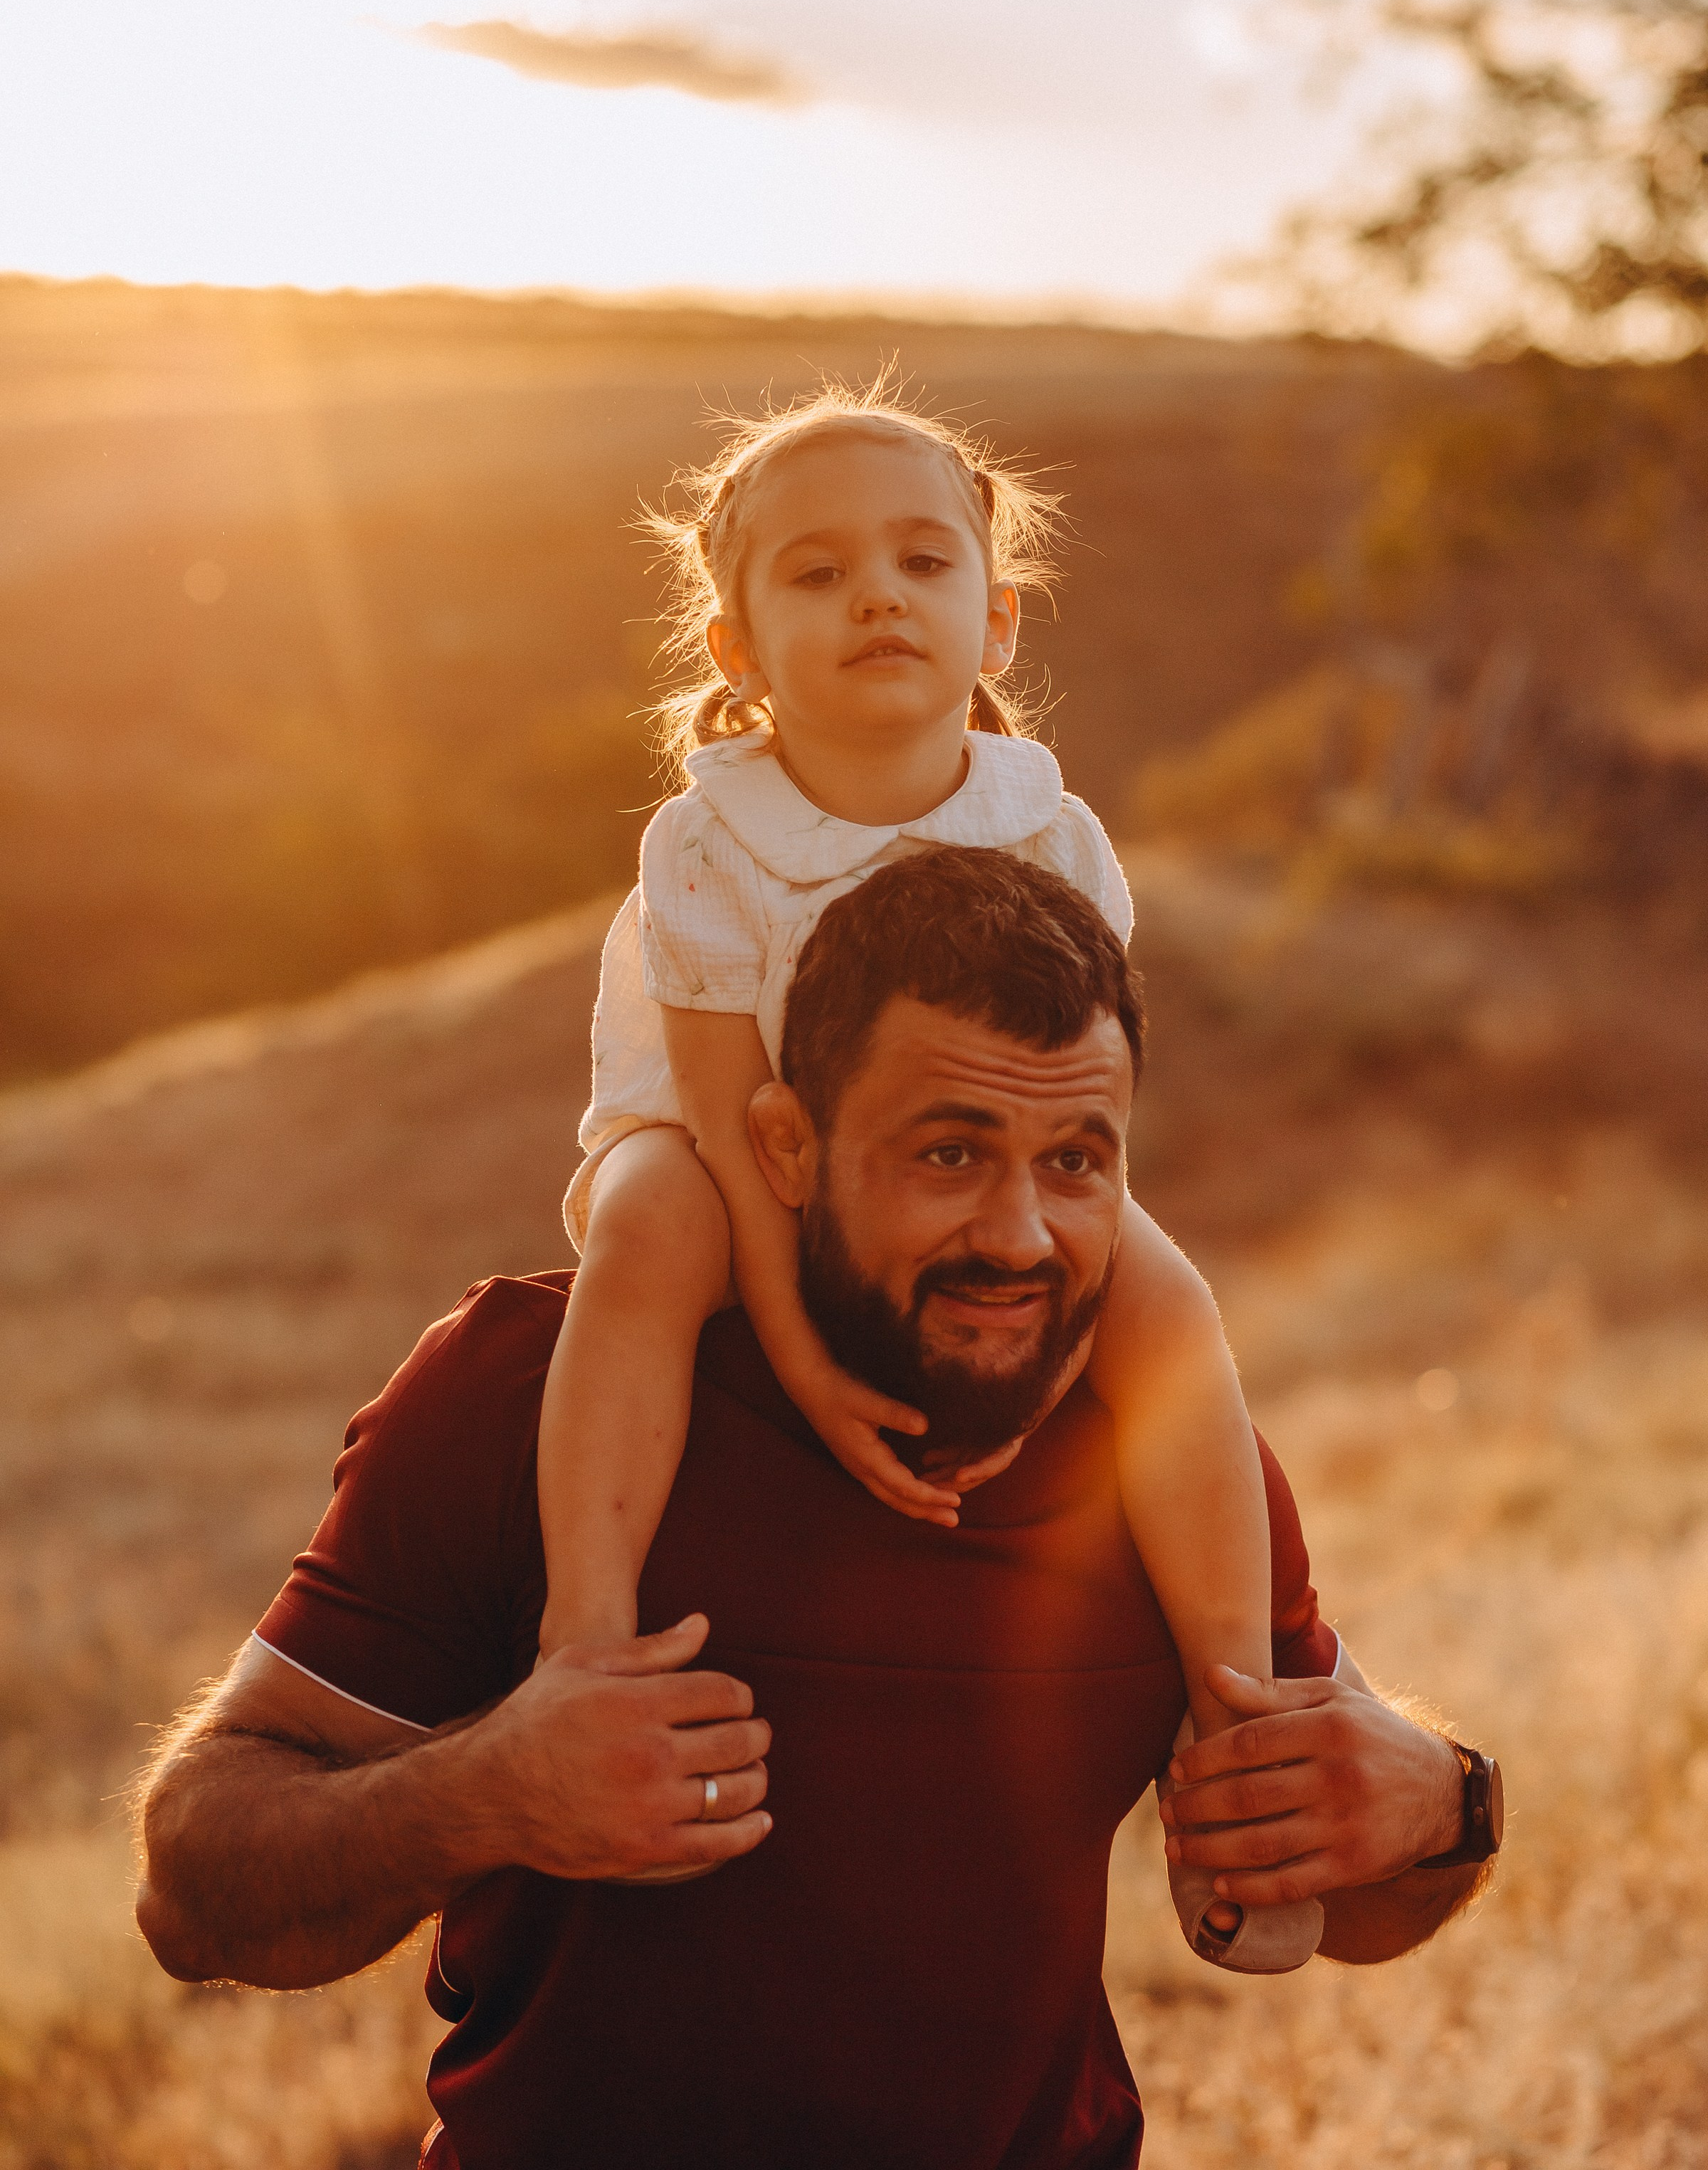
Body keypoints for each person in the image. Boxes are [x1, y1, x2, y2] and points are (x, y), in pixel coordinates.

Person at [136, 850, 1501, 2170]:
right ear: (786, 1146)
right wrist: (490, 1793)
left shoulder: (1160, 1458)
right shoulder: (533, 1400)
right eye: (952, 1153)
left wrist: (1442, 1804)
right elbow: (194, 1887)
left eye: (1077, 1163)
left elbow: (1358, 1900)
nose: (1022, 1235)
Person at [541, 381, 1307, 1961]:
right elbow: (725, 1112)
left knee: (1171, 1300)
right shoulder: (705, 840)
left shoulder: (1052, 834)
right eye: (814, 574)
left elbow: (1080, 1106)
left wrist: (1059, 1297)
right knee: (646, 1237)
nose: (877, 593)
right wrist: (809, 1361)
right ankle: (588, 1643)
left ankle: (1238, 1724)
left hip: (973, 1163)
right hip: (727, 1139)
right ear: (738, 649)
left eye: (921, 562)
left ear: (996, 617)